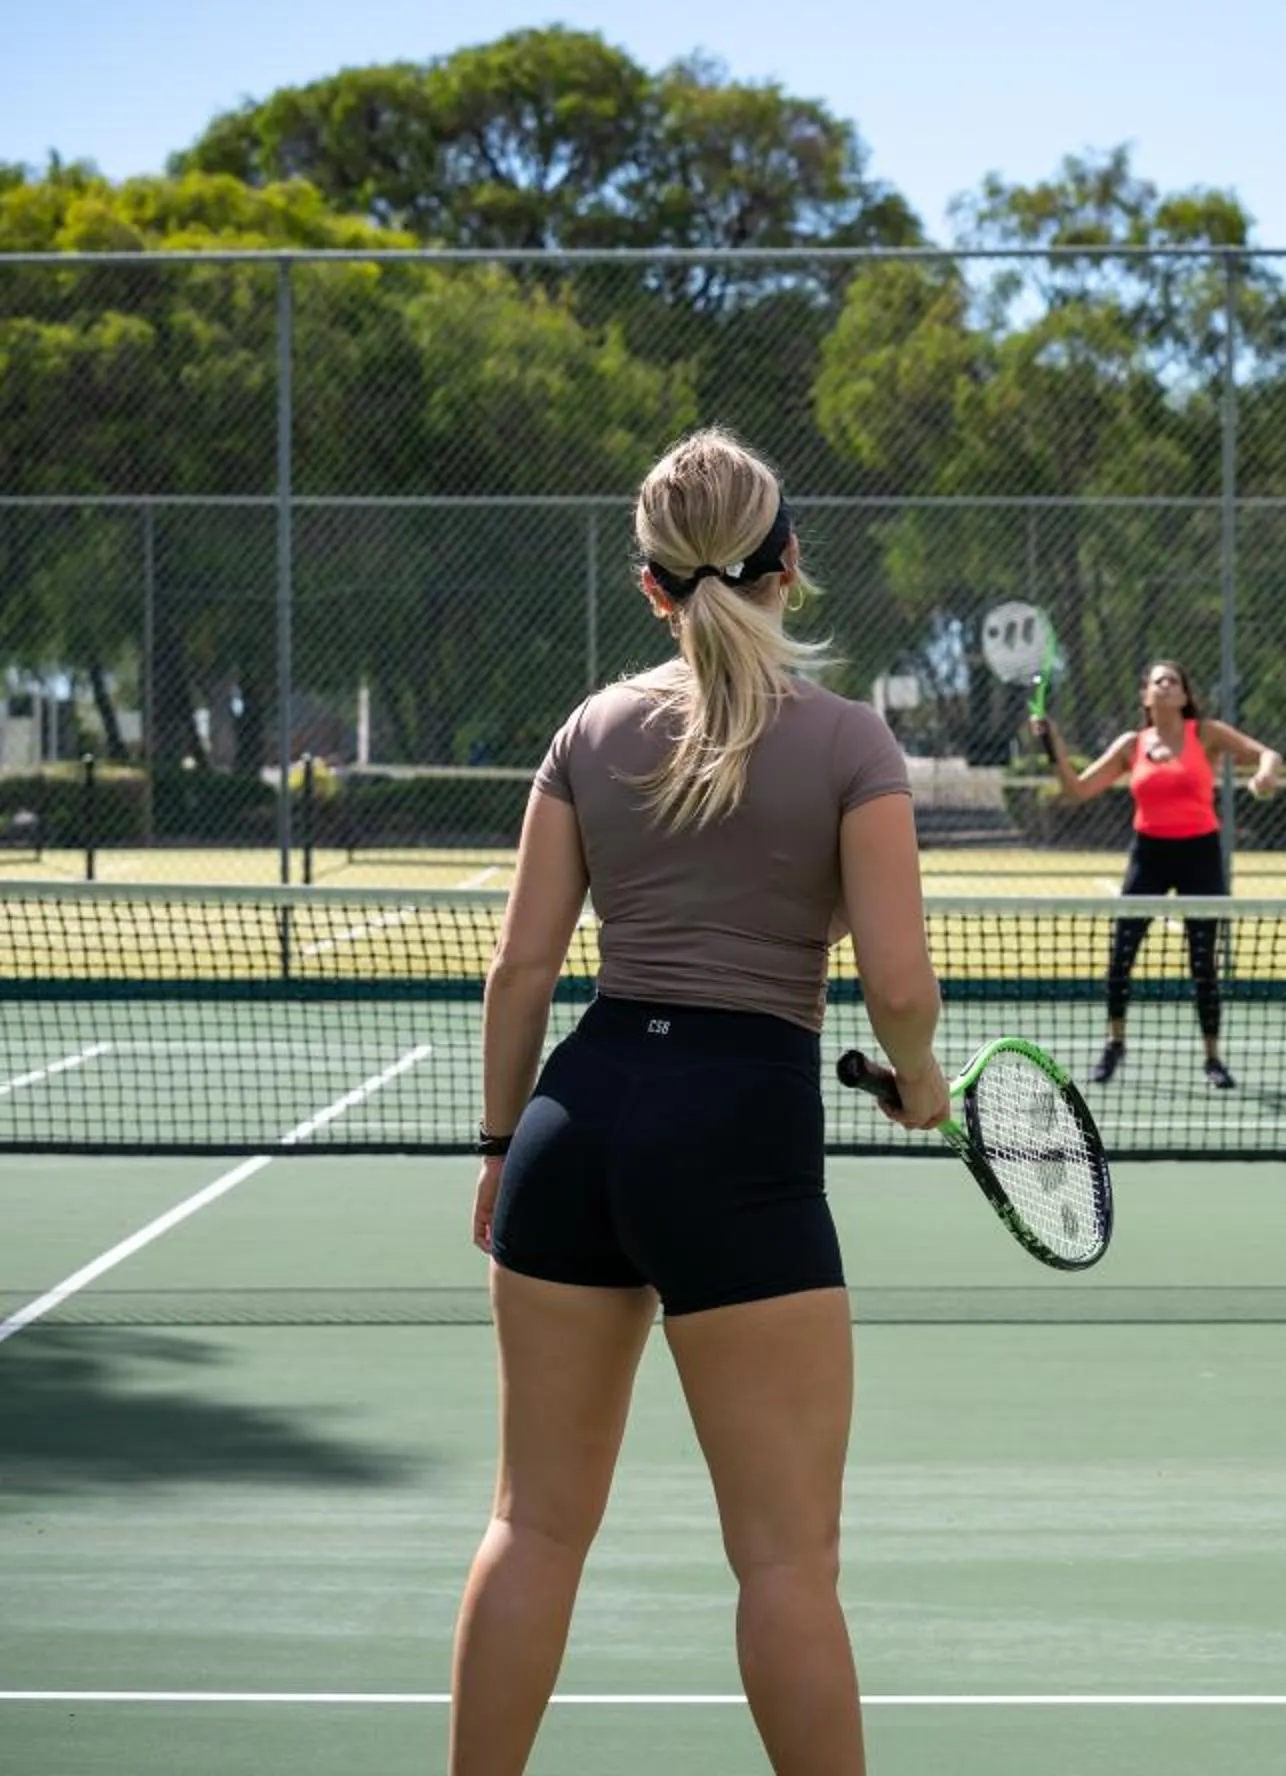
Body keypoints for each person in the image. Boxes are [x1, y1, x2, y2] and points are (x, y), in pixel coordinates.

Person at [452, 430, 947, 1776]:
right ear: (793, 562)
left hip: (578, 1123)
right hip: (738, 1137)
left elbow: (522, 970)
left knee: (533, 1525)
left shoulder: (589, 733)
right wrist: (922, 1084)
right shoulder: (853, 743)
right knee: (787, 1557)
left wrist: (502, 1150)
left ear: (652, 584)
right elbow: (899, 983)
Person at [1032, 658, 1282, 1088]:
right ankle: (1114, 1044)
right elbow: (1077, 790)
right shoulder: (1132, 745)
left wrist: (1264, 776)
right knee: (1120, 955)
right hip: (1148, 854)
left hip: (1201, 854)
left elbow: (1269, 754)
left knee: (1203, 961)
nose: (1165, 686)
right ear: (1145, 695)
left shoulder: (1206, 733)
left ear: (1184, 695)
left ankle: (1212, 1058)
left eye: (1174, 681)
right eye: (1157, 681)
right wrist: (1053, 744)